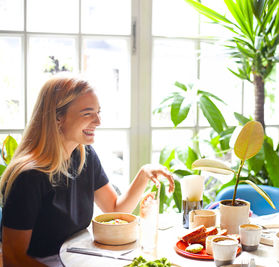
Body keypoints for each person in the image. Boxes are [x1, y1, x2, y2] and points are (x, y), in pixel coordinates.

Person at [0, 75, 175, 266]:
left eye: (98, 112)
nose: (98, 121)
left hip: (76, 260)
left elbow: (115, 210)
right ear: (58, 117)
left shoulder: (84, 156)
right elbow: (13, 257)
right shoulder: (29, 177)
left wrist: (143, 174)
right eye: (87, 113)